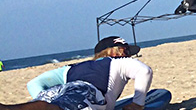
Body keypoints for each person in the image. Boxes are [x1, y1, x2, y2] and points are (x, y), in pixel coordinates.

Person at [2, 37, 152, 110]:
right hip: (86, 91)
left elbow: (34, 84)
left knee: (51, 106)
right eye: (125, 51)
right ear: (116, 52)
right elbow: (145, 71)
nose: (128, 55)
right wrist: (137, 104)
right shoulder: (120, 62)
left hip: (56, 92)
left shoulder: (73, 67)